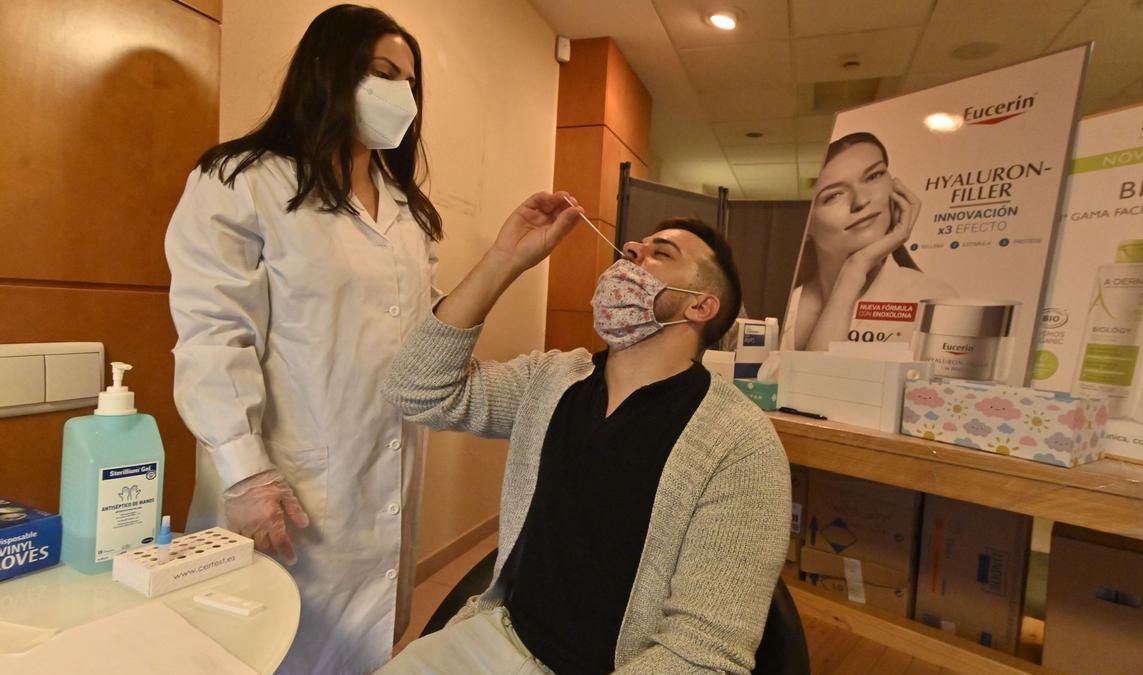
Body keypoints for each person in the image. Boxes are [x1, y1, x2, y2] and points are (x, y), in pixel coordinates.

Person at [378, 194, 791, 674]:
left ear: (701, 306)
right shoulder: (551, 380)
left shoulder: (739, 444)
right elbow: (416, 389)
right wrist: (505, 260)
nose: (633, 248)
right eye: (638, 244)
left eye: (662, 252)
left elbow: (701, 653)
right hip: (493, 638)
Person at [165, 5, 440, 672]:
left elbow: (419, 339)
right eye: (382, 73)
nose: (400, 93)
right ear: (329, 72)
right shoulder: (242, 181)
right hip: (285, 483)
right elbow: (212, 335)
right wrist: (246, 470)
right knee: (268, 649)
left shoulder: (406, 209)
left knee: (367, 647)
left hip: (386, 478)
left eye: (408, 80)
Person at [781, 132, 956, 351]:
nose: (861, 201)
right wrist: (850, 278)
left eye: (873, 176)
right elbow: (812, 378)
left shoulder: (933, 300)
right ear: (805, 226)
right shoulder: (785, 303)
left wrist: (857, 265)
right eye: (833, 195)